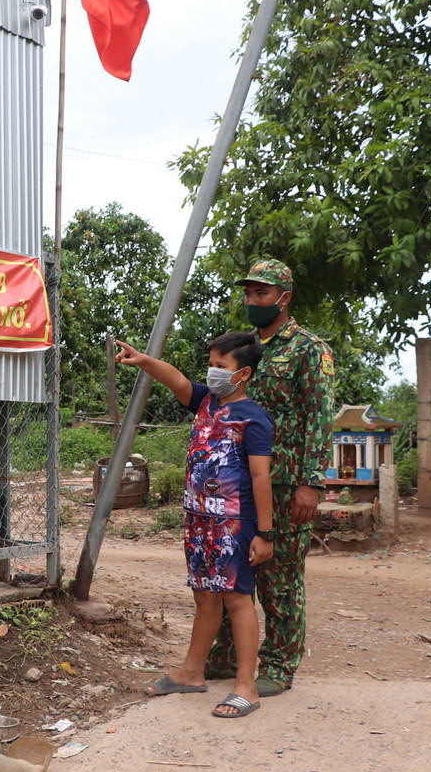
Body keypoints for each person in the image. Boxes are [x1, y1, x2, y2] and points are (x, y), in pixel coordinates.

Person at [116, 332, 274, 718]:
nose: (213, 373)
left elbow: (260, 478)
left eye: (222, 367)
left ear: (244, 374)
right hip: (199, 522)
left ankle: (246, 687)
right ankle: (191, 672)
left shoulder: (253, 419)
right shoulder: (205, 402)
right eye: (212, 365)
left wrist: (265, 533)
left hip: (234, 524)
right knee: (204, 596)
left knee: (238, 599)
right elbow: (176, 379)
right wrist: (143, 359)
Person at [205, 258, 335, 697]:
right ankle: (225, 655)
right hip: (235, 482)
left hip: (284, 481)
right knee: (231, 569)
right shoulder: (245, 349)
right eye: (249, 293)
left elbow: (319, 417)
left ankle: (279, 664)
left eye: (261, 293)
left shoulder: (307, 349)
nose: (252, 300)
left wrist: (311, 482)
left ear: (284, 297)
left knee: (279, 577)